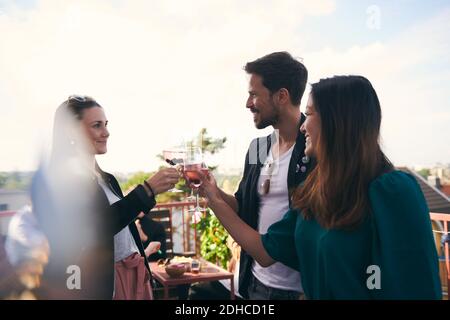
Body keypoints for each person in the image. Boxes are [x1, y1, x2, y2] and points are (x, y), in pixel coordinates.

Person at [199, 75, 442, 299]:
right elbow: (263, 251)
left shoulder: (393, 191)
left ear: (339, 121)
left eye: (310, 114)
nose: (303, 126)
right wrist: (214, 198)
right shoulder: (313, 189)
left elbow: (416, 286)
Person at [31, 95, 180, 299]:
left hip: (135, 276)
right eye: (97, 125)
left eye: (106, 124)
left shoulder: (107, 179)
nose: (106, 132)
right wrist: (147, 190)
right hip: (106, 284)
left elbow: (123, 221)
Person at [191, 51, 311, 300]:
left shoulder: (315, 147)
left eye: (254, 94)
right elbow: (243, 206)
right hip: (254, 283)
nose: (248, 104)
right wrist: (212, 189)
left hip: (299, 291)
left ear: (281, 96)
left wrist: (214, 202)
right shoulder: (258, 148)